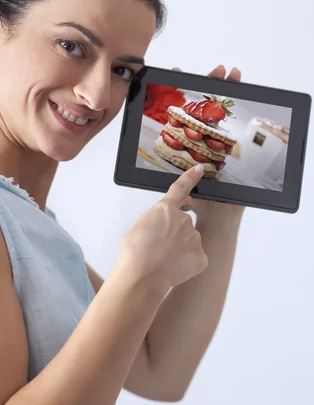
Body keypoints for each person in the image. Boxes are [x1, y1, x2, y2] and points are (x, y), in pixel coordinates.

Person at [0, 0, 245, 404]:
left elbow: (161, 372)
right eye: (71, 46)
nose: (96, 97)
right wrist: (139, 277)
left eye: (122, 71)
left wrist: (221, 215)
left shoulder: (31, 224)